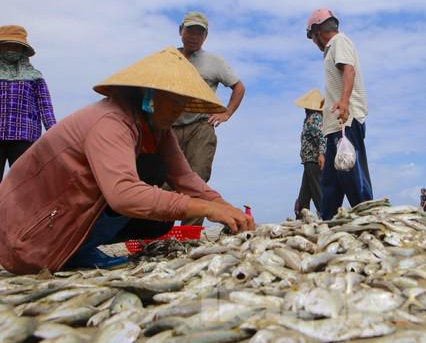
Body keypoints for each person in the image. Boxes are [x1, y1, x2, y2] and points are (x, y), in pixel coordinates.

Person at [0, 47, 254, 275]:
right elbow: (123, 194)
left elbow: (184, 177)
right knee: (149, 174)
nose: (179, 111)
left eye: (183, 104)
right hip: (27, 238)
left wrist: (222, 205)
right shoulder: (111, 121)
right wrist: (207, 209)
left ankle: (79, 247)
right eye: (174, 103)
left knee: (160, 215)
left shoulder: (156, 128)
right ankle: (73, 250)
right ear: (150, 97)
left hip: (60, 221)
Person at [173, 11, 246, 226]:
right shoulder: (169, 58)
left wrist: (226, 113)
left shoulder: (213, 61)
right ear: (180, 31)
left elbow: (239, 87)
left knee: (197, 178)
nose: (194, 36)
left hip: (200, 126)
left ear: (205, 37)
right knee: (162, 181)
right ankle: (156, 233)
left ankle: (190, 234)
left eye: (199, 32)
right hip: (169, 128)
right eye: (190, 30)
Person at [306, 8, 373, 220]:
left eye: (312, 36)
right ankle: (327, 222)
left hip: (346, 122)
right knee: (331, 184)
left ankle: (368, 220)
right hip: (334, 125)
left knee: (353, 178)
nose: (314, 42)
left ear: (317, 31)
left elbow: (348, 70)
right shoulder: (332, 48)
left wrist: (344, 101)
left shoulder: (338, 42)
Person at [0, 25, 56, 181]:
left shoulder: (34, 76)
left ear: (22, 50)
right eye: (7, 45)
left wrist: (55, 132)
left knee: (24, 182)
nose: (11, 49)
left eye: (16, 46)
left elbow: (45, 107)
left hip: (24, 135)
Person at [294, 89, 326, 217]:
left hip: (313, 159)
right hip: (308, 160)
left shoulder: (314, 118)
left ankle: (325, 214)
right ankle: (301, 214)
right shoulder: (311, 118)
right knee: (305, 192)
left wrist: (321, 154)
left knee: (316, 189)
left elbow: (321, 136)